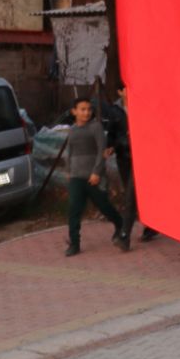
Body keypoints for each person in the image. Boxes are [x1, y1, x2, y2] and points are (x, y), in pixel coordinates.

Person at [63, 97, 128, 256]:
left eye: (89, 109)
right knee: (74, 209)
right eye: (82, 109)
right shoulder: (72, 130)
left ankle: (120, 224)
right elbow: (69, 152)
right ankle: (74, 243)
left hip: (93, 176)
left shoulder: (95, 127)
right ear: (74, 111)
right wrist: (68, 171)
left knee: (104, 206)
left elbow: (101, 151)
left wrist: (96, 172)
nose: (86, 113)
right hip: (76, 176)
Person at [106, 82, 159, 244]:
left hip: (141, 158)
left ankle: (124, 235)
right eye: (126, 89)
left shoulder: (144, 107)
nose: (130, 92)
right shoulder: (115, 111)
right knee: (136, 194)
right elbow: (111, 132)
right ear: (120, 92)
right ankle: (152, 225)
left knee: (130, 194)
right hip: (123, 156)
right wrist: (110, 146)